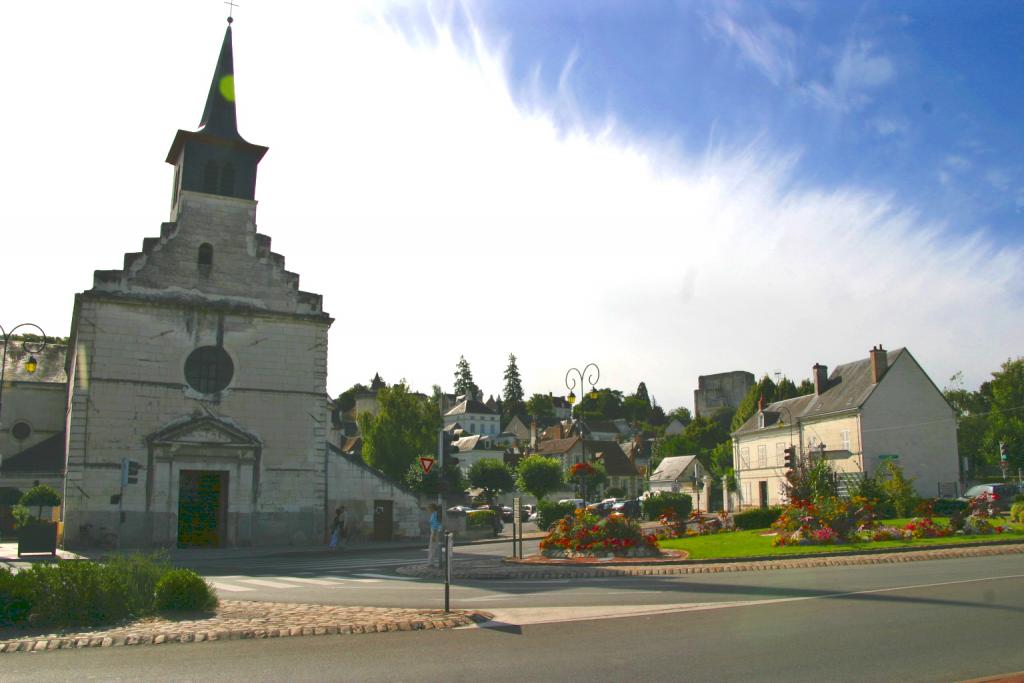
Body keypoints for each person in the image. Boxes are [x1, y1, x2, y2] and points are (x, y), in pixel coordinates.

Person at [427, 503, 442, 567]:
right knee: (433, 547)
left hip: (434, 532)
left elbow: (435, 525)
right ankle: (432, 562)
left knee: (432, 548)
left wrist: (433, 534)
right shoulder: (435, 514)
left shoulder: (434, 514)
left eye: (429, 508)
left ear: (432, 508)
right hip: (435, 531)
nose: (428, 510)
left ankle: (431, 563)